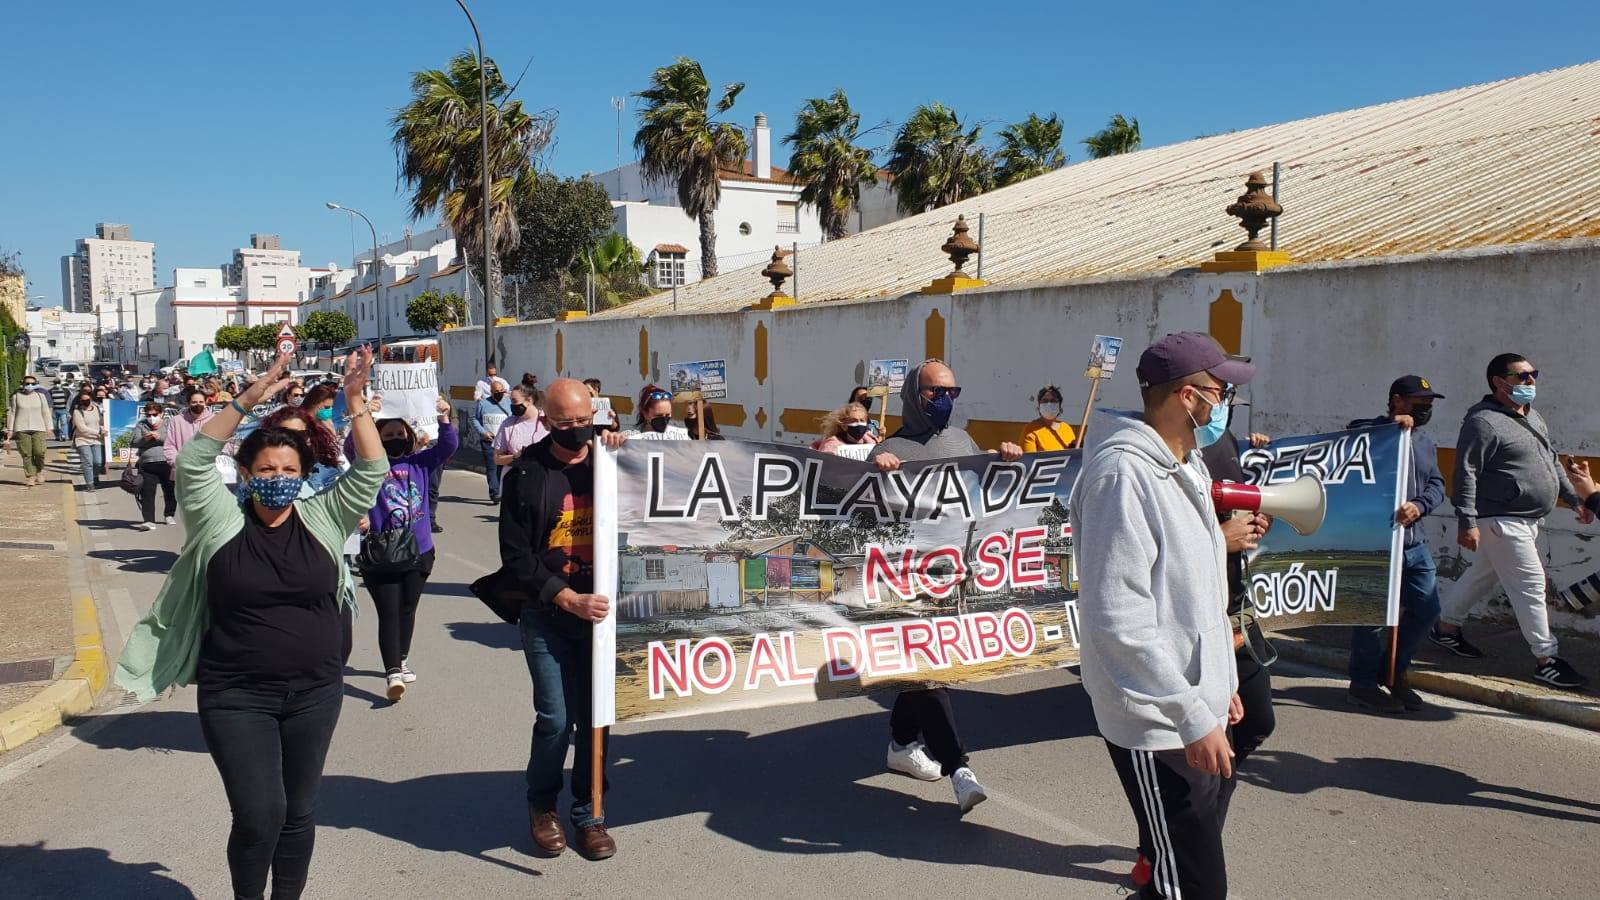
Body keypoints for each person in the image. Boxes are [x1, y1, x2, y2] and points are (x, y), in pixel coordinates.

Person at [114, 348, 383, 900]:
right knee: (261, 813)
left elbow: (372, 469)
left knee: (298, 813)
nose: (278, 479)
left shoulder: (323, 517)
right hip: (236, 695)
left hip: (315, 692)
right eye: (266, 470)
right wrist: (247, 398)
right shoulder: (219, 520)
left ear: (305, 476)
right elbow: (190, 464)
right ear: (245, 474)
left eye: (290, 471)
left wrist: (355, 402)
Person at [1074, 332, 1250, 900]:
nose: (1226, 403)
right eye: (1220, 391)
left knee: (1180, 882)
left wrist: (1219, 682)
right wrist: (1188, 712)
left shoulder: (1187, 466)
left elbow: (1198, 589)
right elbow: (1117, 620)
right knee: (1192, 887)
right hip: (1157, 718)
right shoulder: (1122, 477)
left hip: (1192, 702)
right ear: (1186, 397)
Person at [868, 359, 1023, 814]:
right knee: (929, 669)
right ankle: (959, 768)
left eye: (952, 392)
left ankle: (900, 744)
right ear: (914, 395)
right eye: (936, 392)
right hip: (909, 580)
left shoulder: (962, 440)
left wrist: (1005, 459)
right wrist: (876, 473)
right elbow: (865, 513)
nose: (945, 400)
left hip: (955, 576)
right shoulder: (890, 447)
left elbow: (982, 490)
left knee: (924, 670)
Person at [499, 378, 616, 861]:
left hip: (602, 618)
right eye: (565, 423)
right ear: (546, 421)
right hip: (547, 612)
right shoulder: (527, 474)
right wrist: (566, 598)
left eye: (584, 421)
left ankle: (590, 814)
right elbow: (516, 558)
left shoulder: (611, 463)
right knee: (555, 718)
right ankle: (541, 805)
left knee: (595, 718)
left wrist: (626, 455)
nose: (576, 431)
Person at [1432, 354, 1592, 689]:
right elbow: (1466, 473)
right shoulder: (1482, 422)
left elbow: (1552, 462)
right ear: (1498, 382)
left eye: (1534, 374)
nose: (1530, 381)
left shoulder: (1533, 417)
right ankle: (1546, 659)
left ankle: (1445, 627)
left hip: (1528, 520)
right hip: (1501, 520)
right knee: (1531, 586)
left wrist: (1576, 500)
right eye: (1521, 376)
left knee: (1482, 574)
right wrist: (1467, 521)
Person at [1346, 376, 1447, 712]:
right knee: (1372, 615)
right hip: (1375, 541)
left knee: (1427, 608)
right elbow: (1348, 437)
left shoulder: (1425, 441)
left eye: (1430, 403)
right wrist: (1389, 427)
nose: (1426, 408)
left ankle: (1394, 671)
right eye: (1420, 402)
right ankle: (1362, 684)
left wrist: (1420, 505)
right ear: (1397, 400)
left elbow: (1437, 485)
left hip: (1413, 544)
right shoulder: (1370, 432)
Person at [360, 402, 459, 700]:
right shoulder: (368, 465)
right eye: (387, 434)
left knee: (407, 609)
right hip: (383, 551)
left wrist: (444, 418)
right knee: (389, 611)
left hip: (419, 550)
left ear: (409, 435)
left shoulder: (420, 462)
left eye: (398, 433)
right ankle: (392, 672)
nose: (394, 438)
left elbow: (448, 446)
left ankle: (401, 657)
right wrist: (363, 413)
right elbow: (354, 444)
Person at [132, 402, 178, 529]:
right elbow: (135, 441)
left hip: (167, 462)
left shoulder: (169, 424)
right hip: (147, 463)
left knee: (170, 490)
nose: (152, 417)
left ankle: (169, 514)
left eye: (155, 414)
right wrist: (144, 439)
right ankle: (149, 520)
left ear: (162, 414)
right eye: (148, 415)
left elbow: (175, 439)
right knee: (147, 492)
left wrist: (160, 437)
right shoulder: (141, 425)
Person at [6, 375, 53, 487]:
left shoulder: (41, 396)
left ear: (36, 384)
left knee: (39, 451)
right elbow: (12, 413)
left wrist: (49, 427)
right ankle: (31, 476)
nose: (29, 385)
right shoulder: (16, 396)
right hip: (21, 428)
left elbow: (46, 412)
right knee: (26, 454)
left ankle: (39, 471)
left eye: (32, 383)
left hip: (39, 427)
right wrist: (10, 429)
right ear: (23, 384)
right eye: (27, 383)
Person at [472, 382, 514, 503]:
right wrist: (483, 432)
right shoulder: (483, 404)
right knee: (492, 467)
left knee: (503, 467)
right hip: (489, 441)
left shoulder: (508, 402)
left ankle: (503, 490)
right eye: (497, 392)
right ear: (491, 392)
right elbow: (474, 419)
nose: (500, 393)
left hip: (505, 441)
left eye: (502, 390)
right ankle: (495, 492)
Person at [494, 384, 549, 469]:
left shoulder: (546, 420)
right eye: (511, 401)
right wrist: (516, 457)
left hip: (542, 476)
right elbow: (497, 458)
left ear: (529, 400)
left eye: (515, 401)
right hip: (515, 477)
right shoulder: (508, 423)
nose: (512, 405)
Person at [165, 389, 215, 472]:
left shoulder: (214, 420)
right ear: (188, 404)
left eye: (201, 402)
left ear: (205, 403)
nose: (198, 404)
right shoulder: (176, 420)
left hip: (209, 470)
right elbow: (169, 446)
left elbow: (222, 443)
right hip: (183, 471)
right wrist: (177, 462)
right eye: (194, 402)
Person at [1019, 385, 1077, 451]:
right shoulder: (1030, 430)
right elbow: (1029, 458)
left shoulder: (1067, 428)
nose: (1049, 404)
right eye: (1045, 401)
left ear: (1059, 406)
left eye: (1053, 401)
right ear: (1039, 405)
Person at [69, 390, 107, 492]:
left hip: (97, 440)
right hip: (82, 439)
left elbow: (102, 422)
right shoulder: (77, 412)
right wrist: (98, 431)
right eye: (83, 400)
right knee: (88, 461)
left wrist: (103, 427)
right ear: (79, 401)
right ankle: (90, 484)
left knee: (98, 462)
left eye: (87, 399)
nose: (86, 402)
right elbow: (82, 428)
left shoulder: (97, 409)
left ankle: (95, 476)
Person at [811, 402, 878, 453]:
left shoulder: (873, 445)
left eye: (862, 420)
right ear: (844, 426)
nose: (859, 424)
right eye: (854, 421)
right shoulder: (831, 446)